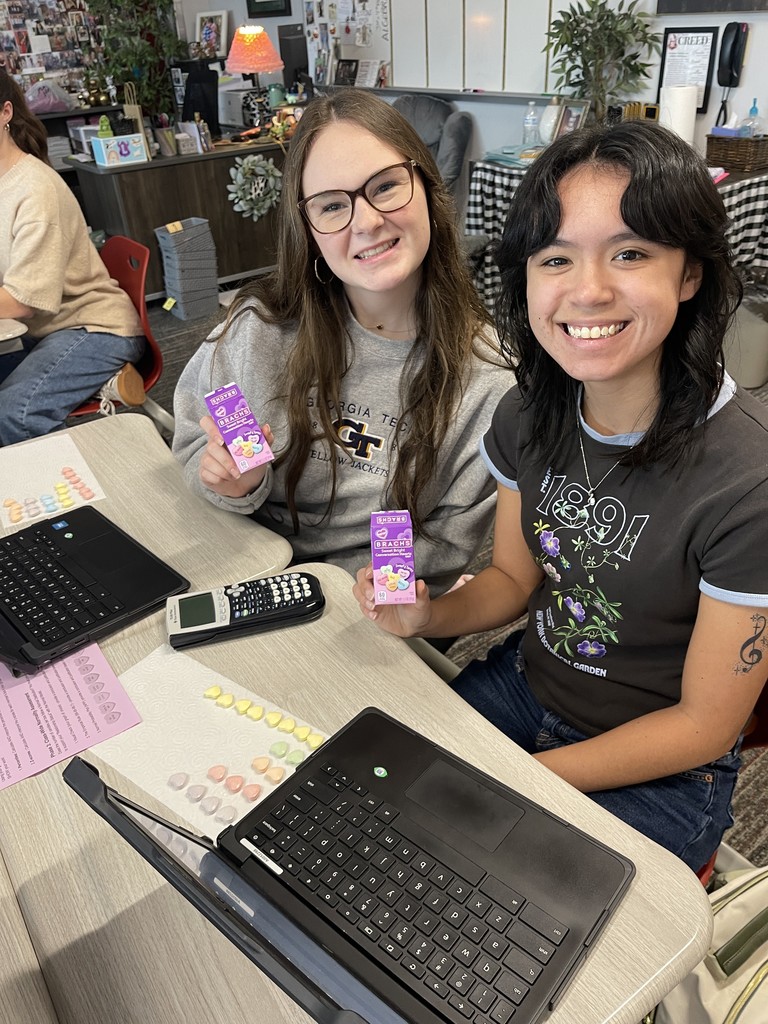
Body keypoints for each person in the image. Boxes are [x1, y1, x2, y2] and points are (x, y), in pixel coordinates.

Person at [354, 119, 768, 871]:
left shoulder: (751, 478)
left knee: (485, 899)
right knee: (373, 812)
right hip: (529, 684)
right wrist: (430, 613)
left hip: (665, 766)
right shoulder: (529, 413)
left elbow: (705, 726)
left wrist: (519, 783)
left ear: (689, 273)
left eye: (631, 252)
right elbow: (514, 579)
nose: (589, 290)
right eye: (556, 258)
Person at [173, 89, 511, 595]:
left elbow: (442, 546)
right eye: (332, 205)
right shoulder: (258, 328)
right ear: (307, 228)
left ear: (427, 185)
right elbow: (196, 439)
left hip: (359, 610)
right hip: (233, 561)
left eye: (386, 186)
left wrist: (371, 590)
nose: (368, 221)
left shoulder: (489, 382)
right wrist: (235, 485)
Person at [0, 70, 146, 446]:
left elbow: (20, 302)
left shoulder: (34, 190)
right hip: (45, 331)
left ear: (4, 114)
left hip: (95, 330)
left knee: (12, 417)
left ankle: (66, 499)